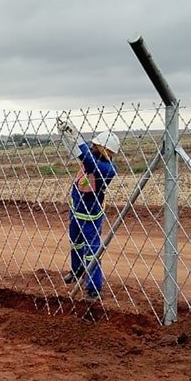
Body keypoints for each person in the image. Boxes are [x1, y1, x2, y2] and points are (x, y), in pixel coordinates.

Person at [56, 118, 120, 302]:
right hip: (76, 210)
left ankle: (94, 288)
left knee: (91, 250)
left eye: (96, 145)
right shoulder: (90, 157)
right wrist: (68, 136)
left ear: (106, 151)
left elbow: (87, 159)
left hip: (91, 215)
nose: (93, 146)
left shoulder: (107, 169)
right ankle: (77, 271)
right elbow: (79, 152)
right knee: (75, 243)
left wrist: (77, 137)